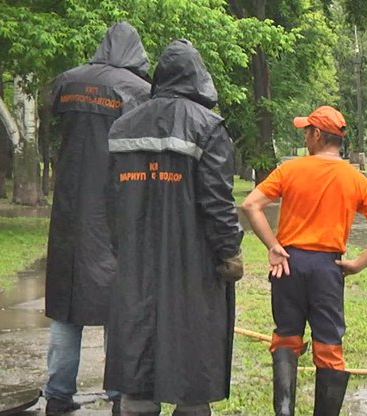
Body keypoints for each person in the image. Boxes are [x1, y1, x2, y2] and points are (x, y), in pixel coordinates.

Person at [103, 39, 244, 416]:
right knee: (192, 362)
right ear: (199, 76)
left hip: (135, 265)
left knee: (137, 357)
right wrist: (229, 251)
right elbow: (217, 200)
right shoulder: (208, 127)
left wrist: (119, 250)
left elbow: (111, 198)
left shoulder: (122, 126)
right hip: (192, 266)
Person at [240, 105, 367, 416]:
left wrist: (273, 245)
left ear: (316, 135)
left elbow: (251, 205)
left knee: (286, 337)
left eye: (306, 130)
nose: (304, 135)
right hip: (328, 268)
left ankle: (284, 412)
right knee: (329, 346)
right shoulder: (355, 179)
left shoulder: (290, 170)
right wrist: (357, 264)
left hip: (289, 263)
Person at [43, 21, 151, 415]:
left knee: (66, 304)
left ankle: (57, 394)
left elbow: (51, 116)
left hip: (70, 209)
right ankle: (119, 393)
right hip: (115, 207)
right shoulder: (139, 91)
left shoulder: (67, 81)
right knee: (118, 304)